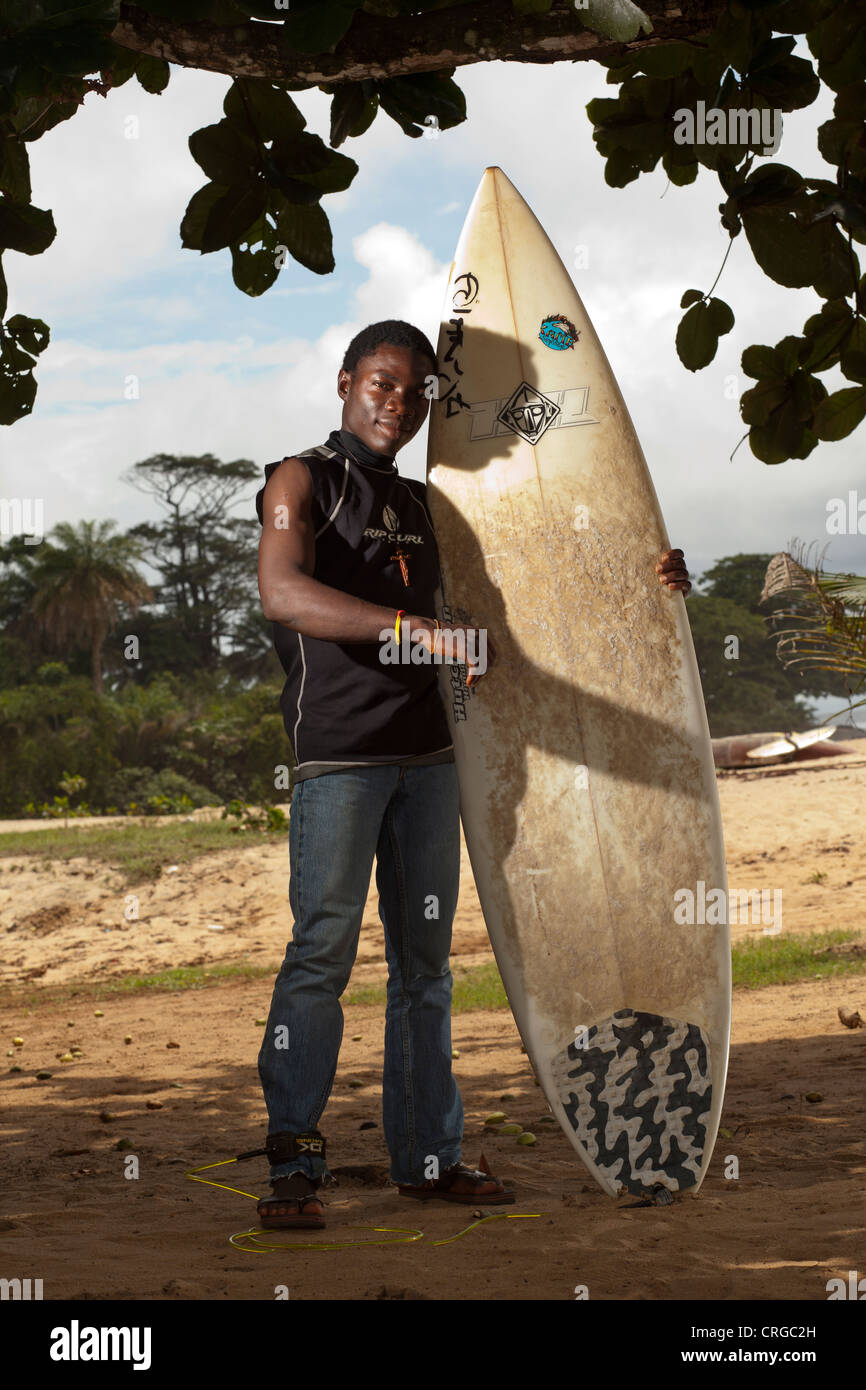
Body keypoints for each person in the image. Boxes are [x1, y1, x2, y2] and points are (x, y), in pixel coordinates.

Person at [253, 318, 691, 1229]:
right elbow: (283, 592)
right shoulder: (301, 481)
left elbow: (532, 582)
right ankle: (294, 1156)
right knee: (320, 956)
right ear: (344, 383)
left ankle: (426, 1155)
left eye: (416, 392)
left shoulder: (426, 505)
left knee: (426, 969)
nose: (399, 404)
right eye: (382, 384)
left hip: (431, 758)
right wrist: (412, 633)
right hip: (340, 760)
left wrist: (647, 576)